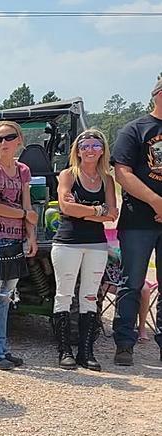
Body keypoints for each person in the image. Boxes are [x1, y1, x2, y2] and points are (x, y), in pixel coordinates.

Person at [51, 129, 117, 371]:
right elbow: (66, 207)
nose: (90, 150)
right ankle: (64, 350)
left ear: (102, 150)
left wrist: (84, 210)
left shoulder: (107, 180)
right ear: (77, 151)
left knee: (90, 296)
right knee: (64, 294)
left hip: (96, 245)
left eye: (95, 145)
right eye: (84, 145)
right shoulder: (68, 175)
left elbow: (112, 213)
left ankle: (86, 351)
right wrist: (96, 211)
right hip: (68, 242)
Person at [0, 120, 38, 370]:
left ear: (19, 140)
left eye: (8, 137)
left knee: (5, 297)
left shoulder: (23, 171)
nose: (3, 143)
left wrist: (31, 235)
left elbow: (28, 206)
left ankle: (0, 347)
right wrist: (25, 216)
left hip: (16, 239)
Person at [111, 76, 162, 366]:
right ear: (157, 94)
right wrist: (156, 201)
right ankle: (124, 343)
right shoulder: (135, 130)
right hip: (138, 221)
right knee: (132, 282)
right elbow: (123, 173)